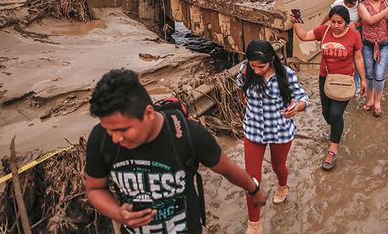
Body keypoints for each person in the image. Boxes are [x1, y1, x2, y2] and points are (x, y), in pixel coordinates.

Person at [84, 69, 268, 234]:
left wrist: (254, 189)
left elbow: (226, 168)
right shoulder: (100, 139)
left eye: (123, 130)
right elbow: (95, 188)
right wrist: (119, 214)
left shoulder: (188, 135)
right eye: (109, 129)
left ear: (148, 113)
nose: (116, 138)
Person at [237, 40, 309, 234]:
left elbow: (303, 97)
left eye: (261, 66)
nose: (257, 70)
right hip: (253, 131)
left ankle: (282, 186)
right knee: (251, 180)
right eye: (253, 66)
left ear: (271, 60)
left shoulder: (285, 74)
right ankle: (254, 224)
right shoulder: (245, 71)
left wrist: (296, 108)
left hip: (280, 131)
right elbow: (241, 92)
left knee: (278, 166)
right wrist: (251, 110)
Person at [290, 5, 367, 170]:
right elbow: (303, 36)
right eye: (333, 21)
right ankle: (336, 130)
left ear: (346, 22)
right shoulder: (323, 31)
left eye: (340, 22)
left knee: (335, 113)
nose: (336, 26)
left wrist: (363, 79)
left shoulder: (354, 35)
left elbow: (358, 58)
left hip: (345, 80)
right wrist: (295, 21)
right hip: (325, 78)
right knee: (327, 113)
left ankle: (333, 149)